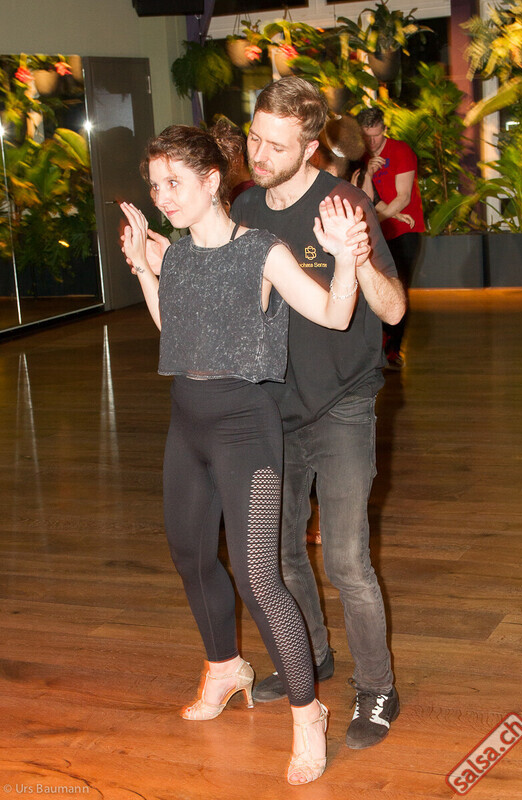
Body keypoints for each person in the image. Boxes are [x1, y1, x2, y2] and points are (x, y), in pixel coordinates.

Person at [119, 121, 372, 785]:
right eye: (155, 185)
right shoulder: (177, 255)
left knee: (261, 577)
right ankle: (225, 667)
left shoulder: (261, 250)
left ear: (211, 181)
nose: (162, 196)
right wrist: (144, 267)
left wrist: (345, 261)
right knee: (190, 555)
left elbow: (334, 314)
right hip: (187, 421)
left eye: (174, 182)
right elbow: (173, 331)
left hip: (245, 428)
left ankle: (307, 714)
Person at [230, 76, 406, 751]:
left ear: (309, 147)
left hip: (342, 403)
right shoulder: (245, 205)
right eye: (254, 138)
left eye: (276, 145)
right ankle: (310, 656)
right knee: (279, 553)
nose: (259, 154)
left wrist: (355, 257)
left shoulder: (343, 204)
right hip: (272, 405)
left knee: (346, 559)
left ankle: (377, 686)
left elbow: (392, 308)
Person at [356, 106, 425, 370]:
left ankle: (394, 349)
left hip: (404, 231)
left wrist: (381, 217)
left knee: (399, 288)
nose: (373, 142)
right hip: (378, 231)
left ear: (384, 129)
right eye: (367, 136)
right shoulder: (360, 156)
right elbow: (366, 198)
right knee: (372, 288)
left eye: (377, 135)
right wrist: (368, 174)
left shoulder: (400, 151)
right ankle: (377, 347)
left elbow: (403, 197)